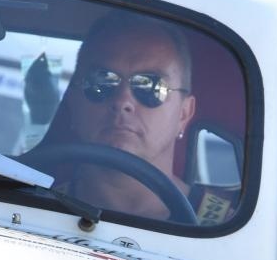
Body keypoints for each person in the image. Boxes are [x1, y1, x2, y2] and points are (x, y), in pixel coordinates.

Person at [56, 13, 235, 225]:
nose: (123, 101)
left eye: (151, 86)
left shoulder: (229, 231)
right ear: (73, 103)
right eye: (101, 82)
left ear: (184, 114)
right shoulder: (34, 209)